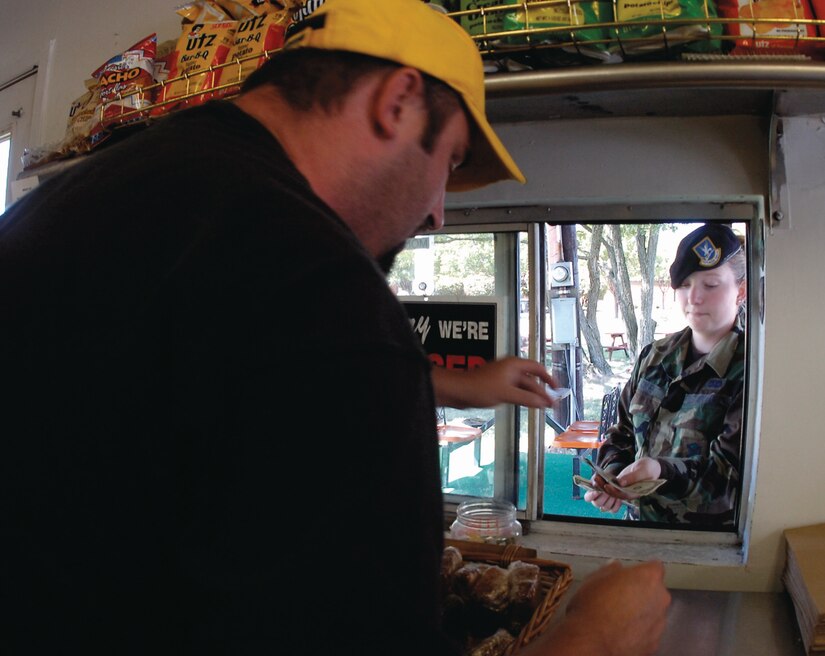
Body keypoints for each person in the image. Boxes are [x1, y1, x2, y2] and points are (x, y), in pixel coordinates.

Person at [0, 1, 669, 654]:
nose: (437, 213)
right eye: (451, 161)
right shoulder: (318, 283)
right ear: (397, 101)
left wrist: (452, 384)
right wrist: (596, 635)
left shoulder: (84, 197)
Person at [585, 223, 746, 526]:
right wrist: (613, 476)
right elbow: (621, 434)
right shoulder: (654, 357)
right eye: (684, 285)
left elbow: (728, 481)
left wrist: (660, 472)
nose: (694, 297)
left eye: (710, 285)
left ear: (741, 290)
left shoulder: (751, 371)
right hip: (639, 531)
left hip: (707, 543)